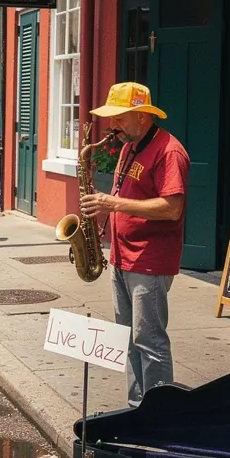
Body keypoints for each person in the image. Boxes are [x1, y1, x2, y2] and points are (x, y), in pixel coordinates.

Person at [79, 82, 190, 408]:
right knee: (127, 339)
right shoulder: (130, 147)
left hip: (150, 259)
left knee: (150, 339)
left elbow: (172, 208)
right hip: (123, 256)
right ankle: (136, 410)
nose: (112, 125)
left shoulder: (168, 151)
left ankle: (157, 415)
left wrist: (113, 205)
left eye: (119, 118)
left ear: (142, 116)